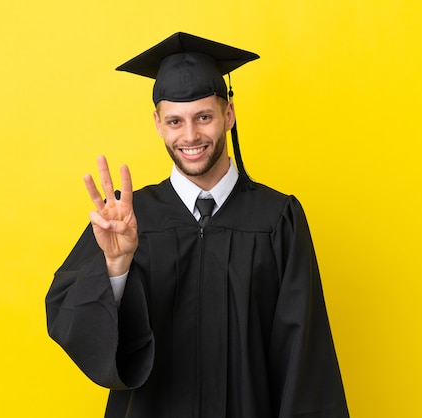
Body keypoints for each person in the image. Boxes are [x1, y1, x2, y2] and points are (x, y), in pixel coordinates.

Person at [46, 32, 349, 418]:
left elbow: (305, 356)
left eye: (203, 117)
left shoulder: (277, 219)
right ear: (158, 123)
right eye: (175, 121)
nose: (190, 136)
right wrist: (115, 269)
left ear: (229, 114)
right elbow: (69, 320)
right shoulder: (129, 220)